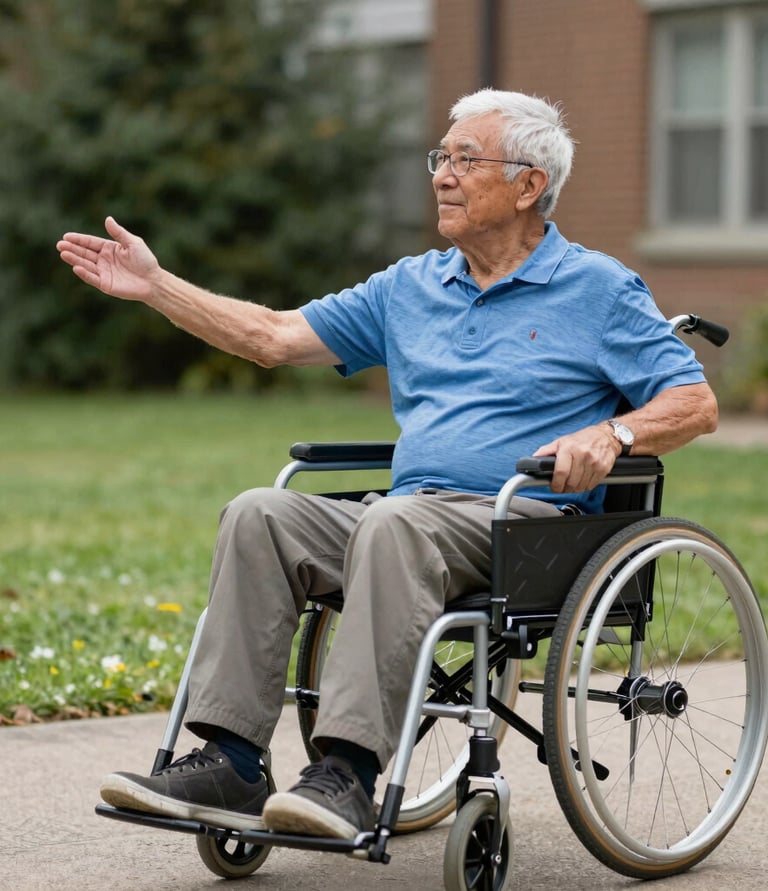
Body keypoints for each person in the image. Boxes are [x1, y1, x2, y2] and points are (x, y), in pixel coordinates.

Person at [56, 88, 718, 840]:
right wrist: (157, 287)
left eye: (467, 160)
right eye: (441, 157)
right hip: (404, 518)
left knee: (396, 523)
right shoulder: (411, 286)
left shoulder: (597, 289)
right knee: (259, 513)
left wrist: (614, 437)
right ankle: (233, 760)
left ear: (530, 185)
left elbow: (694, 402)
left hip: (522, 523)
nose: (442, 174)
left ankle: (346, 772)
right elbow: (273, 336)